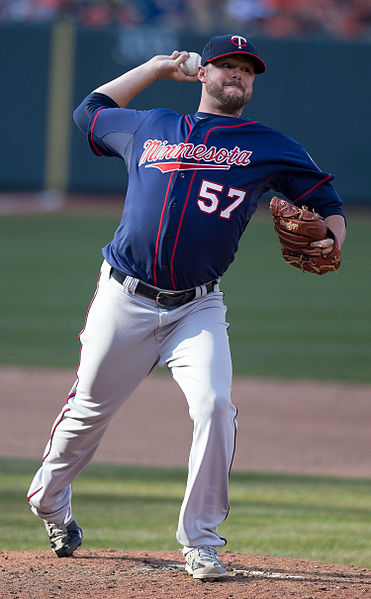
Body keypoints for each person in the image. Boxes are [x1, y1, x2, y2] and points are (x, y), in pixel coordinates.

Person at [27, 33, 346, 581]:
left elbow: (327, 205)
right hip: (123, 299)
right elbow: (90, 112)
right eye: (227, 66)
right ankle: (51, 503)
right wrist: (153, 67)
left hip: (197, 309)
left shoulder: (270, 144)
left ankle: (200, 542)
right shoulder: (149, 125)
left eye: (247, 71)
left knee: (216, 405)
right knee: (86, 417)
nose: (237, 76)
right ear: (203, 73)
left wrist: (332, 239)